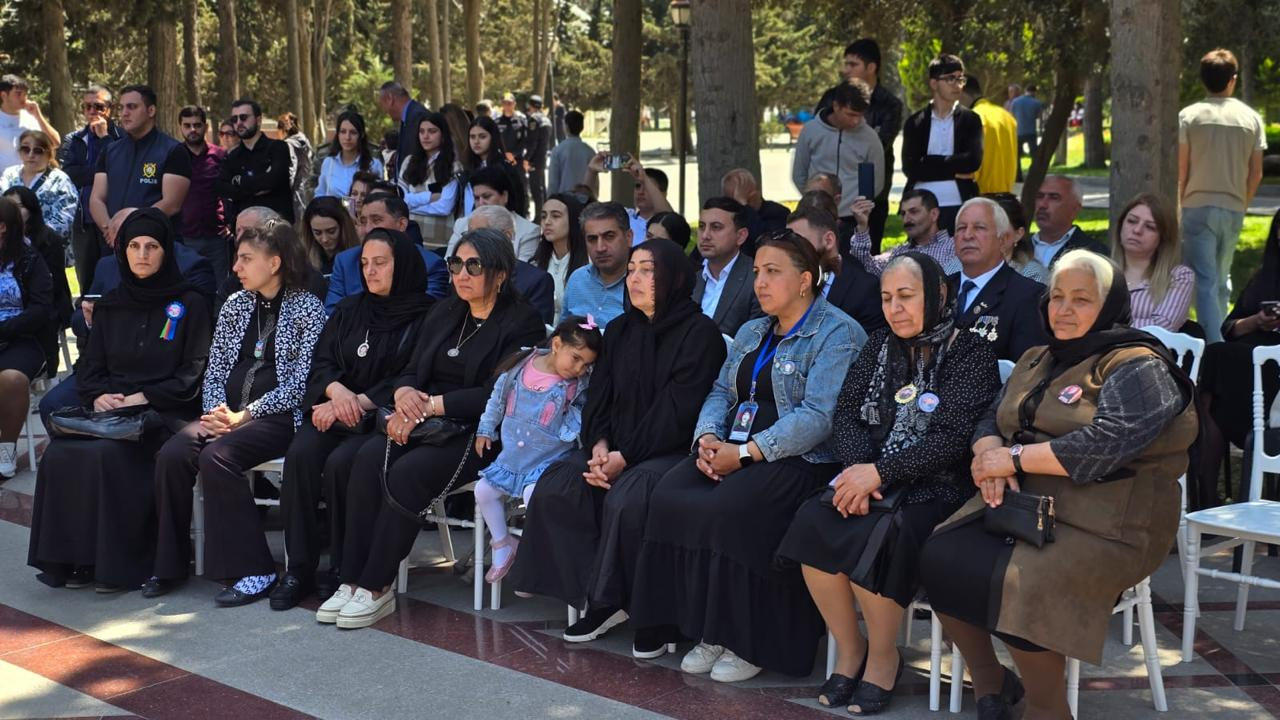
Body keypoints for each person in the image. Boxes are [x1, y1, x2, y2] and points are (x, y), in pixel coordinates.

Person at [920, 249, 1197, 720]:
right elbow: (994, 413)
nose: (1064, 310)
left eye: (1081, 300)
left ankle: (1047, 708)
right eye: (1057, 298)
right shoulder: (1038, 357)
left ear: (1109, 306)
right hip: (1026, 502)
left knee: (1027, 584)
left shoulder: (1137, 365)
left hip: (1110, 519)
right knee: (938, 558)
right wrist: (991, 455)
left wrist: (1010, 457)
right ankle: (991, 679)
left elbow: (1104, 445)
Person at [628, 230, 863, 680]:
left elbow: (818, 417)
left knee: (733, 508)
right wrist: (707, 441)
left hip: (799, 459)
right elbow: (720, 391)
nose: (760, 282)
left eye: (773, 272)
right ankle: (705, 628)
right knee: (670, 494)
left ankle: (747, 640)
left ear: (805, 280)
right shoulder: (755, 330)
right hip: (734, 447)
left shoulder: (837, 332)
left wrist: (749, 453)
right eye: (757, 272)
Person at [779, 250, 998, 711]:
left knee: (879, 535)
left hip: (937, 486)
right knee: (813, 520)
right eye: (886, 298)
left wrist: (878, 474)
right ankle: (850, 648)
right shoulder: (878, 345)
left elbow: (953, 440)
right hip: (869, 479)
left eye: (906, 296)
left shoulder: (971, 351)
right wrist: (863, 474)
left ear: (937, 295)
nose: (894, 308)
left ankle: (883, 658)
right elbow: (845, 417)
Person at [316, 229, 545, 629]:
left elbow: (501, 394)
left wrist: (428, 406)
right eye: (456, 264)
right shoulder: (444, 311)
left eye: (474, 265)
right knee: (367, 457)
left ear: (501, 273)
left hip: (482, 432)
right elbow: (411, 369)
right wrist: (406, 394)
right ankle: (349, 578)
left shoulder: (522, 323)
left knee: (408, 472)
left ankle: (376, 586)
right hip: (425, 422)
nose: (462, 274)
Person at [509, 239, 726, 652]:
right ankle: (594, 594)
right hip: (615, 447)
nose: (635, 279)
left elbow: (677, 413)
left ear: (673, 278)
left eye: (647, 270)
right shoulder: (622, 330)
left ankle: (637, 608)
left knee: (628, 497)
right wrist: (599, 446)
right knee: (562, 482)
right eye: (632, 270)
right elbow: (599, 396)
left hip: (671, 451)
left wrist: (624, 457)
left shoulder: (700, 334)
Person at [26, 208, 212, 588]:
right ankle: (73, 560)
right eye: (134, 246)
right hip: (111, 413)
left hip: (163, 411)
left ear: (166, 252)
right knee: (60, 453)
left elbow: (194, 371)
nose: (142, 254)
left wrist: (142, 396)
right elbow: (89, 367)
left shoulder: (190, 303)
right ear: (123, 252)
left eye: (152, 246)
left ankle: (121, 565)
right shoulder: (111, 304)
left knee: (106, 455)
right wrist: (98, 398)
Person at [146, 219, 326, 604]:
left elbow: (301, 384)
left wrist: (246, 416)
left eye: (246, 259)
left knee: (218, 458)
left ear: (274, 263)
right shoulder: (235, 305)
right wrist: (217, 411)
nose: (236, 267)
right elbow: (217, 368)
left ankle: (256, 570)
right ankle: (170, 562)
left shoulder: (308, 308)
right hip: (230, 413)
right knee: (173, 454)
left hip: (279, 418)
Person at [271, 228, 434, 610]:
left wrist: (358, 401)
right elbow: (322, 363)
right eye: (364, 264)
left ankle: (344, 568)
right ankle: (300, 568)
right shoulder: (348, 309)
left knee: (344, 463)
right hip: (336, 410)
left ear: (404, 265)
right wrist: (336, 393)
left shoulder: (427, 315)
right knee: (302, 455)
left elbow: (413, 373)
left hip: (381, 418)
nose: (370, 272)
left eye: (380, 263)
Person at [473, 315, 603, 583]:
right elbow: (497, 400)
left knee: (536, 495)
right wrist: (486, 428)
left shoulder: (577, 385)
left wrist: (571, 428)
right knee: (483, 490)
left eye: (587, 364)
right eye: (575, 358)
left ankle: (536, 560)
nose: (580, 369)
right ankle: (503, 544)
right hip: (514, 456)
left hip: (550, 456)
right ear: (556, 344)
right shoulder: (521, 365)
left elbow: (582, 413)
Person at [1191, 210, 1280, 508]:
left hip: (1273, 377)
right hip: (1246, 371)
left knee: (1217, 375)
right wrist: (1257, 321)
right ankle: (1204, 492)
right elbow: (1230, 328)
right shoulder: (1264, 278)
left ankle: (1203, 492)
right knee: (1217, 360)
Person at [1180, 48, 1266, 344]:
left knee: (1204, 280)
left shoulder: (1188, 117)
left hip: (1196, 205)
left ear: (1203, 79)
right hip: (1232, 207)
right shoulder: (1251, 118)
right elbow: (1256, 173)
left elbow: (1182, 168)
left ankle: (1215, 346)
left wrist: (1182, 203)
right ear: (1233, 79)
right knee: (1221, 276)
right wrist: (1243, 203)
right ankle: (1222, 339)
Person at [815, 39, 904, 252]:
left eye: (853, 64)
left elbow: (879, 147)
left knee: (865, 257)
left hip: (870, 192)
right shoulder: (831, 97)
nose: (845, 70)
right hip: (829, 193)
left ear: (871, 67)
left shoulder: (889, 104)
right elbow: (818, 134)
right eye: (845, 64)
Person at [89, 85, 191, 254]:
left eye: (132, 107)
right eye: (121, 107)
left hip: (155, 247)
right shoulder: (110, 151)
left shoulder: (173, 150)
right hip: (113, 245)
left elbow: (172, 204)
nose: (124, 113)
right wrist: (110, 230)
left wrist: (131, 223)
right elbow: (96, 198)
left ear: (151, 111)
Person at [952, 197, 1049, 361]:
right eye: (961, 228)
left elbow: (1026, 369)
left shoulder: (1028, 295)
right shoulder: (939, 288)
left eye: (979, 228)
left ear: (1003, 240)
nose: (967, 235)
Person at [325, 192, 450, 314]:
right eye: (363, 221)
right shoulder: (345, 261)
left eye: (376, 220)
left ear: (401, 224)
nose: (368, 229)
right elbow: (333, 313)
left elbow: (426, 314)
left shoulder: (430, 265)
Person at [0, 197, 54, 478]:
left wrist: (6, 329)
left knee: (11, 379)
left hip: (23, 338)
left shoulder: (30, 260)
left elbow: (41, 310)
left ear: (3, 228)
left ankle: (5, 451)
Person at [791, 80, 885, 239]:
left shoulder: (869, 137)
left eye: (860, 115)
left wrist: (858, 207)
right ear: (836, 106)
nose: (855, 121)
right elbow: (799, 173)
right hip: (816, 214)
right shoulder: (811, 131)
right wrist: (815, 200)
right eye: (850, 114)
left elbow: (876, 181)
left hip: (853, 218)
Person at [901, 54, 983, 235]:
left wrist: (929, 162)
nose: (957, 84)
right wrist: (954, 168)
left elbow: (973, 161)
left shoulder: (971, 120)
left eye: (960, 79)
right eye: (950, 79)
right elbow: (911, 167)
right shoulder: (915, 122)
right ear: (934, 83)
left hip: (959, 203)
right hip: (920, 205)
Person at [59, 85, 123, 291]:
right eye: (87, 107)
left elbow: (119, 170)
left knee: (115, 274)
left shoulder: (121, 138)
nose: (92, 111)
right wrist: (101, 173)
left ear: (109, 109)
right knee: (86, 277)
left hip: (113, 216)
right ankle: (86, 321)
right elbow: (70, 174)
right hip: (83, 219)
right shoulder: (74, 139)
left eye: (98, 106)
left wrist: (105, 138)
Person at [787, 204, 885, 335]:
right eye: (789, 243)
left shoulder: (865, 288)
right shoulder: (787, 283)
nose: (792, 250)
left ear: (828, 240)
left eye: (800, 241)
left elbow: (868, 347)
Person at [3, 186, 73, 361]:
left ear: (31, 209)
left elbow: (53, 286)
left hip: (43, 305)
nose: (12, 211)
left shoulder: (48, 241)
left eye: (18, 206)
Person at [459, 204, 556, 324]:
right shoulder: (462, 273)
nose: (472, 241)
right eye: (468, 235)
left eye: (480, 234)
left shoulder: (536, 281)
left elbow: (536, 332)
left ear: (506, 236)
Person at [1112, 193, 1194, 331]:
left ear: (1163, 238)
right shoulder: (1099, 271)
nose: (1137, 230)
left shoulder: (1178, 277)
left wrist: (1105, 326)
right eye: (1132, 221)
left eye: (1150, 227)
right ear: (1121, 225)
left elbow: (1162, 327)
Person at [693, 196, 763, 337]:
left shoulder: (757, 279)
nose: (705, 235)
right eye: (701, 226)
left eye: (716, 227)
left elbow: (755, 341)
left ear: (741, 236)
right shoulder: (690, 278)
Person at [217, 98, 295, 223]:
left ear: (258, 120)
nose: (238, 123)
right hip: (244, 229)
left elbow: (273, 180)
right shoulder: (232, 157)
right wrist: (259, 184)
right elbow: (222, 188)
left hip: (275, 228)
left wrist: (238, 182)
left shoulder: (278, 148)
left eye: (243, 117)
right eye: (234, 119)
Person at [176, 106, 230, 283]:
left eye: (197, 125)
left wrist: (230, 222)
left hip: (217, 236)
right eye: (187, 125)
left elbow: (230, 194)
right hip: (186, 237)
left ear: (205, 127)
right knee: (189, 287)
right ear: (180, 127)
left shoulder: (220, 156)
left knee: (221, 288)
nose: (192, 130)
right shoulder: (174, 156)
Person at [850, 189, 959, 276]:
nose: (906, 219)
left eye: (914, 212)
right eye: (903, 214)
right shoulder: (899, 252)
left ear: (934, 214)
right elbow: (866, 267)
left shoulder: (955, 247)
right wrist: (862, 226)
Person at [398, 112, 464, 249]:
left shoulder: (453, 166)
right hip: (410, 238)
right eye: (422, 132)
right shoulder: (409, 162)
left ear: (443, 135)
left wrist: (411, 204)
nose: (425, 136)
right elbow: (399, 200)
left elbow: (444, 207)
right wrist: (429, 197)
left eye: (432, 131)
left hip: (440, 243)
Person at [447, 165, 540, 260]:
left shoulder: (528, 231)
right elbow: (448, 262)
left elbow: (524, 271)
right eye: (476, 198)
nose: (481, 203)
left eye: (486, 196)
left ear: (505, 196)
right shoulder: (462, 224)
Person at [0, 130, 76, 245]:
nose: (31, 155)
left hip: (47, 247)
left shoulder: (60, 179)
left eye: (38, 151)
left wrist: (33, 240)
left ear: (49, 154)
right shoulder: (9, 174)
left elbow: (65, 217)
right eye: (26, 149)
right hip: (8, 244)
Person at [563, 201, 630, 325]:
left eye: (609, 236)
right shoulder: (577, 279)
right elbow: (561, 332)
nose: (600, 248)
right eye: (592, 239)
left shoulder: (642, 284)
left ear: (629, 237)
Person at [584, 154, 673, 241]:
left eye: (647, 187)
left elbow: (670, 217)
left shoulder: (663, 224)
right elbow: (586, 208)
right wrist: (591, 172)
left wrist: (644, 178)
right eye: (637, 186)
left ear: (663, 194)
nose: (640, 192)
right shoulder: (624, 215)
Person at [531, 192, 588, 322]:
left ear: (573, 220)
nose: (547, 222)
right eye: (543, 216)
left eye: (556, 216)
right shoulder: (536, 262)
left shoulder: (588, 263)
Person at [1029, 175, 1107, 268]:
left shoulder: (1094, 254)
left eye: (1054, 197)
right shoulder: (1016, 248)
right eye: (1039, 196)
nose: (1042, 204)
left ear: (1075, 209)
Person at [463, 115, 529, 218]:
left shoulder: (505, 168)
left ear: (493, 138)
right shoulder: (466, 168)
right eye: (472, 137)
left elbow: (518, 202)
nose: (476, 141)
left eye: (482, 136)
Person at [962, 74, 1018, 194]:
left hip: (982, 196)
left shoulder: (972, 118)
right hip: (1007, 195)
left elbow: (967, 170)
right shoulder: (1005, 115)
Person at [315, 109, 383, 199]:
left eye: (353, 132)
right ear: (338, 134)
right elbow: (320, 194)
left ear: (361, 135)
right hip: (333, 212)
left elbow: (379, 198)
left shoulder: (374, 165)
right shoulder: (329, 163)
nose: (347, 137)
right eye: (343, 132)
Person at [722, 168, 790, 255]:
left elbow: (766, 240)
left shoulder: (778, 212)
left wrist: (745, 206)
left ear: (756, 192)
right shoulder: (727, 217)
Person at [984, 191, 1047, 284]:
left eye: (998, 225)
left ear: (1018, 234)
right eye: (980, 226)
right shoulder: (957, 267)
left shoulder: (1032, 275)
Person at [0, 74, 59, 169]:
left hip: (32, 180)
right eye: (18, 94)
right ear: (4, 95)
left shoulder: (31, 118)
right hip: (4, 181)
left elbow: (55, 143)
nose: (23, 99)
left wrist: (38, 115)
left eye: (25, 94)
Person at [377, 82, 428, 184]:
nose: (384, 111)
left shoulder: (417, 117)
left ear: (390, 99)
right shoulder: (409, 117)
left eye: (382, 104)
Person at [300, 196, 360, 277]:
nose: (325, 239)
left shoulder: (359, 256)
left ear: (343, 228)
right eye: (317, 233)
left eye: (331, 231)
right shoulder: (302, 259)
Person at [548, 110, 595, 196]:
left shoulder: (558, 150)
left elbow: (553, 183)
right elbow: (595, 182)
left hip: (564, 201)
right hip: (586, 201)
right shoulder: (590, 151)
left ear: (566, 126)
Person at [277, 112, 313, 220]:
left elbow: (290, 169)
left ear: (282, 129)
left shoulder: (288, 145)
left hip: (294, 195)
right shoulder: (303, 140)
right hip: (306, 189)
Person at [525, 94, 553, 217]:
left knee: (536, 189)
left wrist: (527, 159)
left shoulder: (534, 119)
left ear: (530, 106)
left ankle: (538, 217)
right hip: (543, 157)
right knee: (542, 188)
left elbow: (532, 142)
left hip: (534, 159)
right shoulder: (546, 119)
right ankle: (545, 214)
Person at [1009, 84, 1044, 182]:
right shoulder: (1036, 103)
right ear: (1034, 92)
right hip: (1031, 132)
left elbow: (1011, 116)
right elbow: (1040, 118)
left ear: (1025, 91)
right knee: (1034, 155)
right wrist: (1041, 132)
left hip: (1018, 132)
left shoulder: (1015, 102)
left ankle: (1018, 176)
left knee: (1017, 156)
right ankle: (1033, 176)